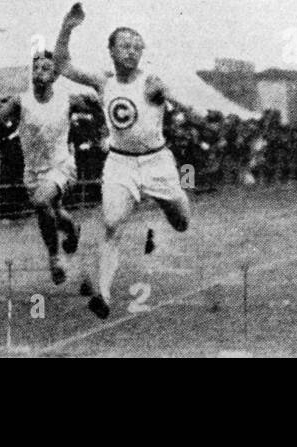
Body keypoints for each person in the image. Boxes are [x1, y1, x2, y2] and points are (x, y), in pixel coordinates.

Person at [54, 3, 192, 319]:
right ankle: (103, 294)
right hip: (120, 163)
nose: (131, 52)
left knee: (181, 222)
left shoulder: (150, 82)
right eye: (124, 46)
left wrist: (181, 103)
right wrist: (67, 27)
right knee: (112, 224)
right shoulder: (103, 82)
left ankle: (169, 207)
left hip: (157, 162)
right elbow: (62, 64)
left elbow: (169, 94)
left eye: (136, 46)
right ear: (112, 51)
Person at [0, 51, 81, 286]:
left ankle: (54, 258)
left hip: (62, 166)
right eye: (36, 68)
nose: (39, 73)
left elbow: (96, 105)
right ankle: (72, 229)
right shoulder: (21, 101)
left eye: (46, 69)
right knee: (52, 211)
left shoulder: (67, 99)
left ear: (55, 75)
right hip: (33, 171)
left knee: (41, 202)